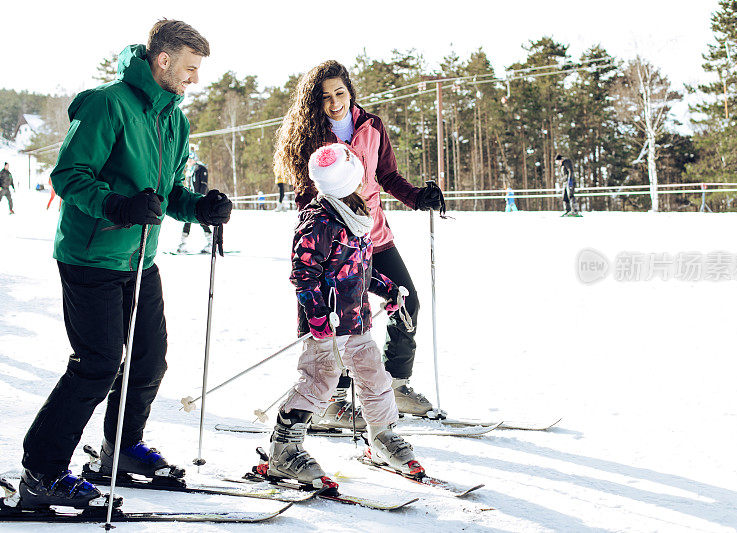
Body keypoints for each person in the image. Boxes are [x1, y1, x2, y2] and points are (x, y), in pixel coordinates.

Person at [16, 20, 232, 511]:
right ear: (162, 61)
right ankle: (42, 471)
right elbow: (68, 175)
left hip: (141, 258)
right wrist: (116, 206)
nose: (194, 79)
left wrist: (198, 208)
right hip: (91, 254)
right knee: (98, 364)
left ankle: (121, 448)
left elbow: (168, 193)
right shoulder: (106, 103)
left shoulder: (173, 120)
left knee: (150, 359)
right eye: (190, 69)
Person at [274, 60, 445, 426]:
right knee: (339, 316)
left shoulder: (372, 126)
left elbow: (387, 176)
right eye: (324, 97)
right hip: (334, 242)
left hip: (375, 235)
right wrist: (325, 240)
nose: (334, 102)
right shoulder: (310, 136)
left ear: (350, 90)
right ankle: (332, 398)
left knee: (406, 299)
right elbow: (307, 195)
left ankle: (395, 384)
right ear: (314, 102)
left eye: (339, 92)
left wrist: (417, 198)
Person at [265, 143, 422, 490]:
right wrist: (318, 317)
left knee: (375, 377)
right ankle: (283, 450)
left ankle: (381, 436)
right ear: (349, 177)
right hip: (327, 324)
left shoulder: (353, 210)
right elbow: (303, 275)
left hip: (356, 319)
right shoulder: (318, 220)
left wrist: (387, 287)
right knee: (320, 381)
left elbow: (359, 270)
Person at [176, 154, 213, 253]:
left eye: (190, 159)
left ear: (194, 159)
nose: (188, 161)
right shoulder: (190, 170)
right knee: (187, 220)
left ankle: (212, 243)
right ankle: (182, 244)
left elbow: (203, 185)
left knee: (202, 220)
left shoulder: (201, 169)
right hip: (191, 200)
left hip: (199, 200)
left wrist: (201, 198)